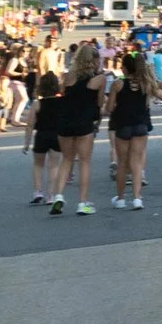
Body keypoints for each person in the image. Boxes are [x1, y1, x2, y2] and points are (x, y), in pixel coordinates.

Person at [48, 42, 104, 215]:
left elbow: (64, 95)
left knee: (66, 159)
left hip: (65, 121)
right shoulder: (99, 79)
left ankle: (58, 196)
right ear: (94, 61)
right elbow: (100, 103)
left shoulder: (69, 76)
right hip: (84, 122)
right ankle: (82, 202)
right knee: (85, 161)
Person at [104, 47, 161, 210]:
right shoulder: (145, 83)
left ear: (124, 68)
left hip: (122, 125)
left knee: (122, 163)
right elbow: (159, 98)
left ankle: (121, 199)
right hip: (141, 125)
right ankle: (137, 198)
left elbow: (109, 108)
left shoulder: (118, 84)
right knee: (137, 163)